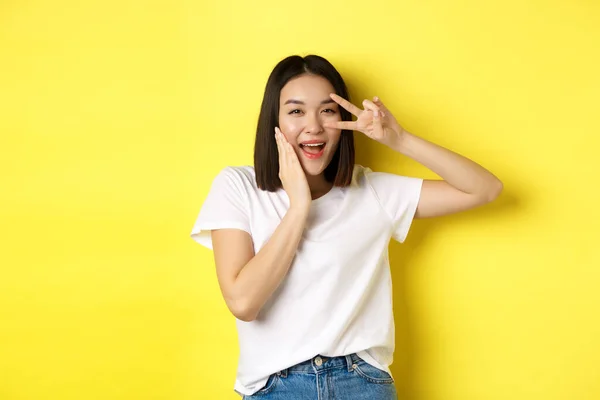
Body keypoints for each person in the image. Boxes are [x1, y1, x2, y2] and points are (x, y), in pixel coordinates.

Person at [190, 54, 503, 399]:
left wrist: (400, 140)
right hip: (276, 387)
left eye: (327, 110)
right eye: (296, 111)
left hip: (361, 383)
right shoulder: (238, 186)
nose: (314, 126)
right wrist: (299, 207)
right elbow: (243, 301)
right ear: (274, 123)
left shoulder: (371, 191)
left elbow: (484, 189)